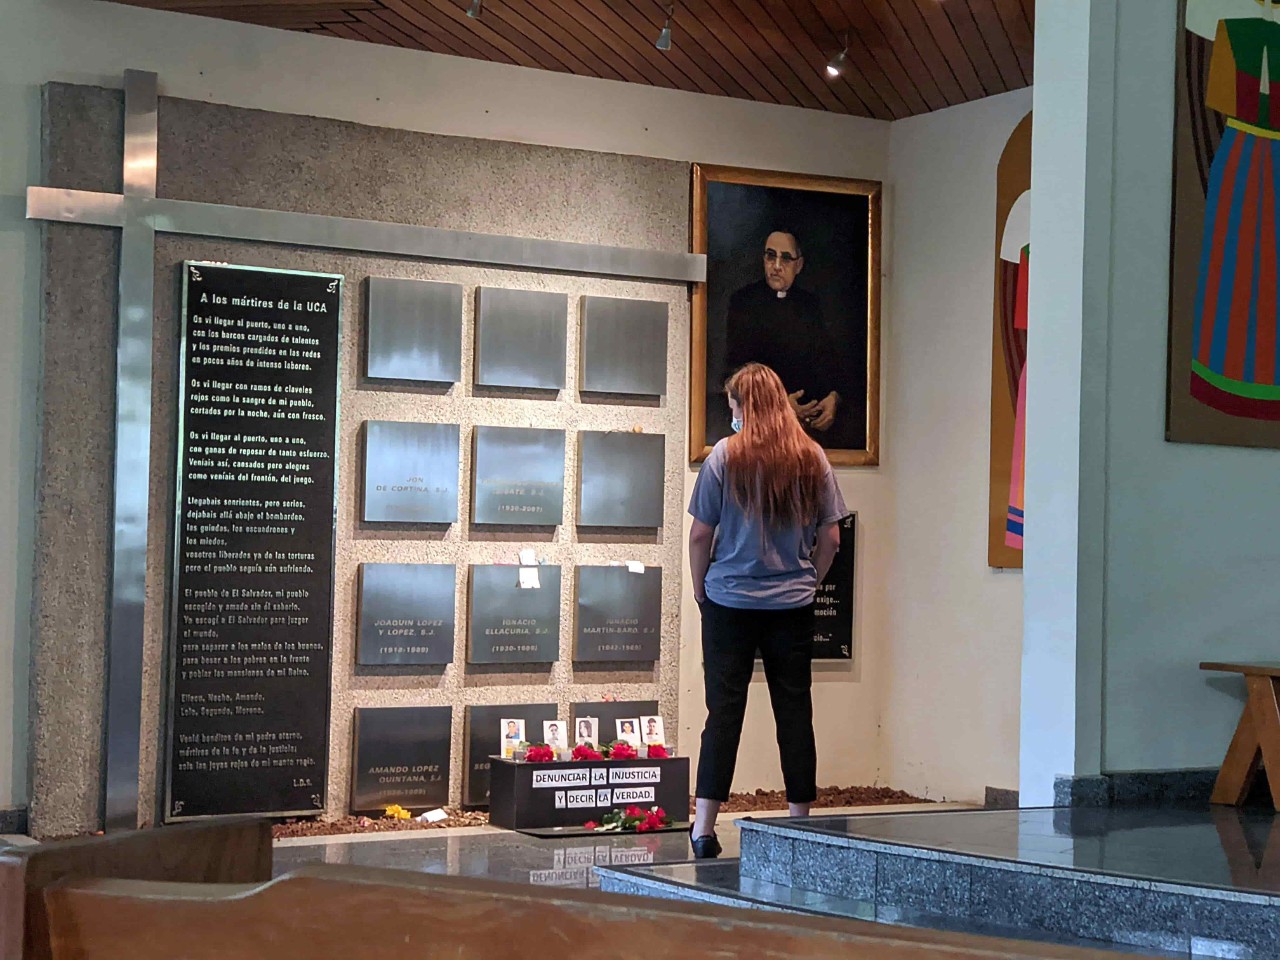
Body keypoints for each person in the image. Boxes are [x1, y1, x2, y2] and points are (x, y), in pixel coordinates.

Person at [687, 362, 845, 859]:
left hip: (729, 603)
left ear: (742, 406)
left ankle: (705, 829)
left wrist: (700, 591)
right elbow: (832, 537)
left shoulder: (724, 457)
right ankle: (800, 823)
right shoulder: (810, 457)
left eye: (732, 405)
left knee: (724, 713)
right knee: (795, 711)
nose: (730, 413)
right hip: (791, 607)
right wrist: (806, 580)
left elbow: (699, 535)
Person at [724, 231, 848, 444]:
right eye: (771, 256)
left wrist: (833, 398)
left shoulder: (811, 306)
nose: (777, 265)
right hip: (761, 430)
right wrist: (780, 404)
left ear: (798, 265)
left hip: (807, 431)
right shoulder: (744, 303)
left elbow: (829, 362)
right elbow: (735, 374)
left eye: (786, 258)